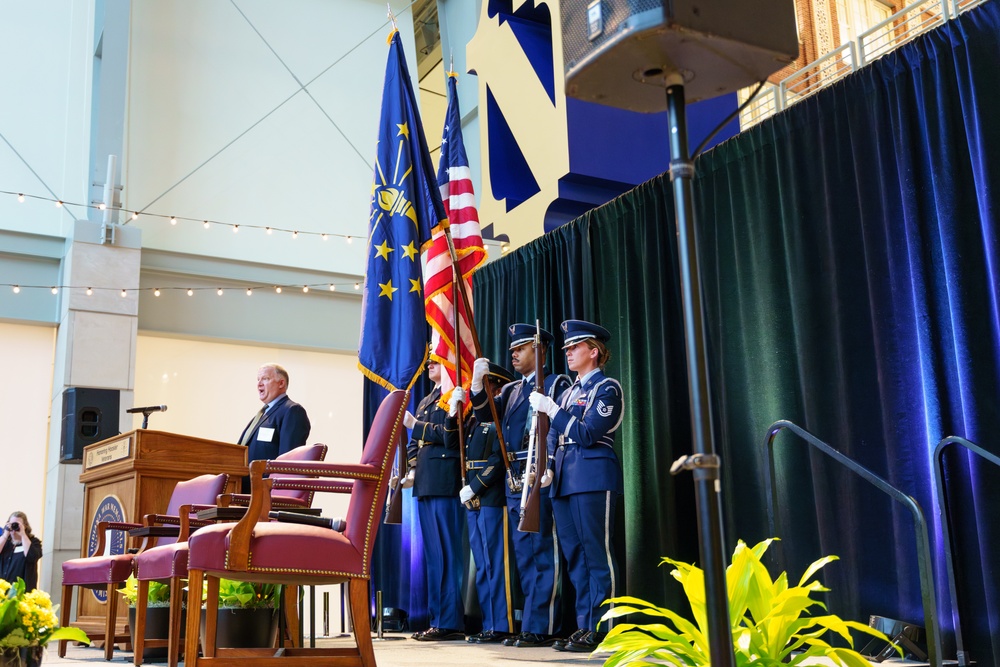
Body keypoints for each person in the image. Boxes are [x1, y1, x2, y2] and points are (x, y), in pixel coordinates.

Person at [470, 323, 571, 648]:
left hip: (539, 473)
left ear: (539, 351)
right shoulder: (512, 391)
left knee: (543, 551)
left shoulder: (556, 382)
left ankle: (545, 625)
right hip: (514, 478)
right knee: (524, 556)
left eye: (522, 347)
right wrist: (477, 389)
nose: (514, 353)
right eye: (513, 348)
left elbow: (557, 429)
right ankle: (531, 624)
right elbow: (487, 419)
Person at [528, 319, 624, 653]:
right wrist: (549, 466)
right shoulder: (569, 391)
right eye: (567, 348)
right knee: (575, 557)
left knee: (597, 555)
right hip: (565, 481)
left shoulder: (607, 388)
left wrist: (552, 409)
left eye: (575, 347)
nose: (568, 352)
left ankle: (606, 627)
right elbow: (554, 435)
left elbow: (586, 433)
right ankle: (585, 625)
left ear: (594, 352)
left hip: (593, 477)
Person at [446, 363, 517, 644]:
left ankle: (502, 624)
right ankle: (490, 622)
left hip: (490, 494)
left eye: (486, 389)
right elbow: (453, 445)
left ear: (495, 389)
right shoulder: (475, 420)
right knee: (484, 565)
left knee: (496, 564)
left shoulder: (497, 420)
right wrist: (454, 413)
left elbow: (500, 458)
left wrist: (475, 487)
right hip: (473, 496)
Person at [405, 360, 466, 641]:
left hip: (444, 480)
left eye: (436, 359)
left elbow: (450, 437)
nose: (429, 364)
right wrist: (411, 468)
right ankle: (437, 618)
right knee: (433, 557)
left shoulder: (454, 394)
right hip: (426, 480)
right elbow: (412, 444)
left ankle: (450, 621)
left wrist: (417, 426)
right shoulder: (428, 399)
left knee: (446, 555)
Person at [237, 363, 311, 492]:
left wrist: (276, 492)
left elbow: (288, 462)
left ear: (281, 383)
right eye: (258, 380)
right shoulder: (261, 415)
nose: (259, 384)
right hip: (245, 490)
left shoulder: (292, 411)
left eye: (265, 379)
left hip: (265, 493)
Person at [0, 512, 43, 591]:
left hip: (22, 593)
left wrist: (23, 534)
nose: (14, 527)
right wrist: (5, 535)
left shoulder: (33, 542)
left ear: (25, 526)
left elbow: (32, 557)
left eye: (17, 524)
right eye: (11, 524)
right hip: (2, 592)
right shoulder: (4, 542)